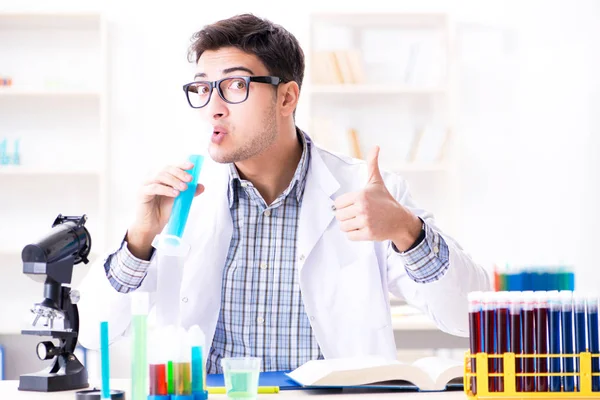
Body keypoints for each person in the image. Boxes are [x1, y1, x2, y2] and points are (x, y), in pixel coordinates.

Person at [78, 13, 490, 374]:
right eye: (203, 89)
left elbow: (466, 317)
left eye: (235, 85)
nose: (213, 108)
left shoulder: (364, 190)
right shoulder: (180, 198)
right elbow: (95, 331)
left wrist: (405, 229)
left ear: (287, 97)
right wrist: (139, 240)